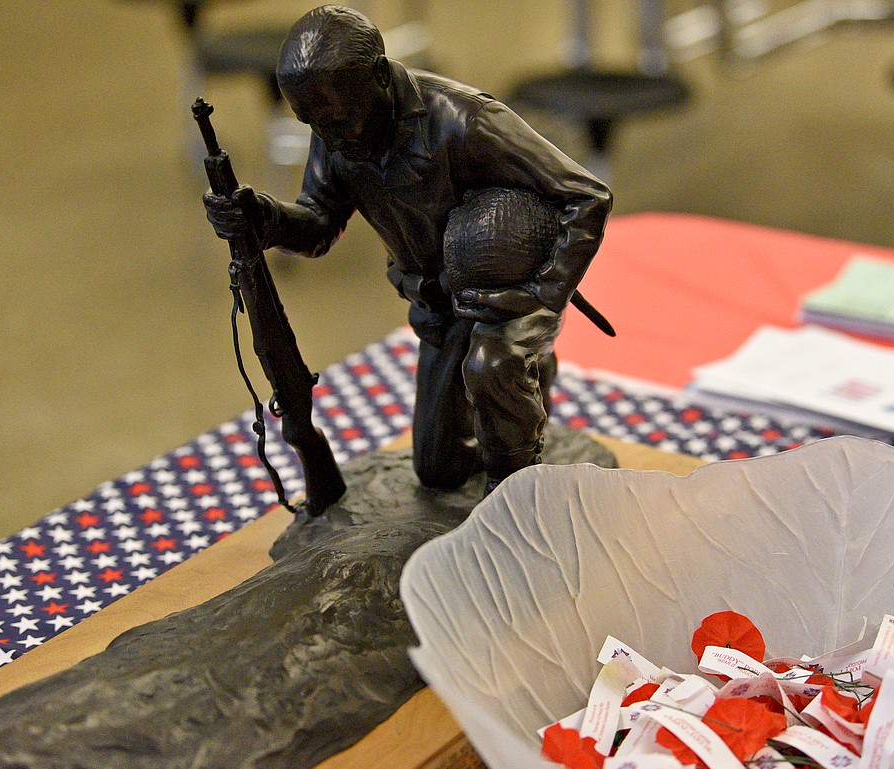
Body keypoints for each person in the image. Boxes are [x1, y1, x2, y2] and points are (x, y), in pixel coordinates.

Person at [204, 4, 612, 494]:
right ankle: (519, 392)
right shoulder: (332, 128)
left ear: (378, 76)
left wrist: (545, 293)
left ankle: (518, 497)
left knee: (492, 365)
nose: (326, 136)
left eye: (335, 119)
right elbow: (317, 228)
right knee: (438, 469)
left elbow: (586, 195)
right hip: (438, 302)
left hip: (508, 285)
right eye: (308, 120)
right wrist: (265, 218)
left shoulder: (467, 122)